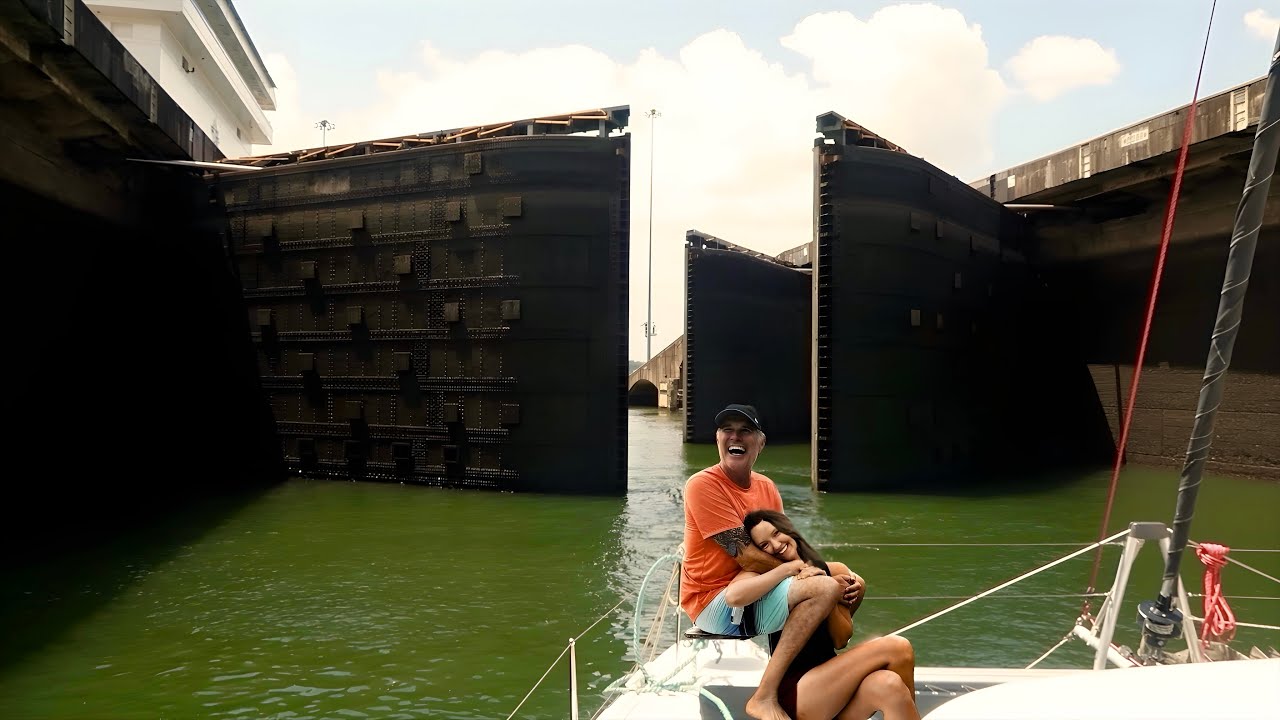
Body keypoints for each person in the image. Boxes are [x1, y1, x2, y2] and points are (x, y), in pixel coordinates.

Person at [680, 404, 850, 720]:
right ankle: (766, 695)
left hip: (756, 586)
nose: (735, 436)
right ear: (718, 439)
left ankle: (814, 665)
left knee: (845, 575)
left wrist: (813, 567)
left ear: (760, 442)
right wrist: (804, 570)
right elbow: (744, 553)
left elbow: (786, 545)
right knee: (824, 586)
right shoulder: (703, 484)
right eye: (727, 430)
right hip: (715, 601)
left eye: (745, 431)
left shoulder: (766, 487)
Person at [734, 509, 920, 720]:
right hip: (797, 690)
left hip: (831, 684)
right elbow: (734, 595)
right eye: (764, 545)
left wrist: (828, 589)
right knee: (898, 647)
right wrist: (788, 570)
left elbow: (841, 640)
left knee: (889, 685)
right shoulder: (767, 575)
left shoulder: (832, 570)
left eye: (776, 534)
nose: (775, 545)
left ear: (789, 529)